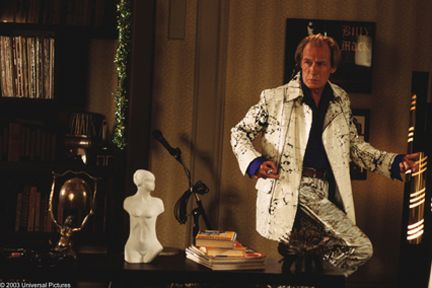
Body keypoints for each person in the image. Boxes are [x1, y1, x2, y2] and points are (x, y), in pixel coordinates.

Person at [230, 33, 419, 275]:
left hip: (325, 191)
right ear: (300, 63)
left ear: (332, 67)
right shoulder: (275, 99)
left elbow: (355, 147)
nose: (313, 69)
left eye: (320, 63)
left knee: (313, 264)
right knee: (360, 248)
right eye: (307, 62)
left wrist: (394, 162)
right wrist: (255, 163)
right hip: (292, 189)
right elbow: (239, 133)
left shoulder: (340, 100)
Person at [124, 169, 164, 263]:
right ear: (140, 182)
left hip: (153, 247)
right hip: (132, 247)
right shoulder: (128, 201)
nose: (153, 183)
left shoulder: (158, 203)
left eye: (153, 181)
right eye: (149, 180)